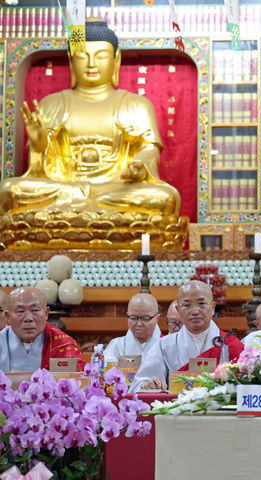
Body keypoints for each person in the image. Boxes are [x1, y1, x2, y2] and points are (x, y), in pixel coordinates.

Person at [0, 18, 184, 250]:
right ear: (70, 60)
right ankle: (99, 222)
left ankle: (69, 223)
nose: (91, 63)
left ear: (116, 60)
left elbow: (149, 150)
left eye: (100, 55)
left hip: (115, 190)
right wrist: (38, 144)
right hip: (63, 188)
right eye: (82, 55)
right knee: (8, 191)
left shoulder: (136, 105)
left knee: (165, 198)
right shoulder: (51, 103)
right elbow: (39, 171)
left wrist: (139, 166)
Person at [130, 280, 243, 392]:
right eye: (187, 305)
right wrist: (150, 385)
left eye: (201, 304)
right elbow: (139, 385)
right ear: (178, 310)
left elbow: (246, 385)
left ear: (213, 308)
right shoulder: (164, 346)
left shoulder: (230, 345)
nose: (194, 311)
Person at [0, 287, 86, 372]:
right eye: (20, 311)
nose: (28, 318)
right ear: (8, 316)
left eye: (35, 310)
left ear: (46, 313)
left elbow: (74, 381)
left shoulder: (63, 345)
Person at [103, 293, 162, 364]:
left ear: (157, 318)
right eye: (134, 318)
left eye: (145, 318)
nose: (139, 324)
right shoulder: (116, 346)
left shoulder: (166, 346)